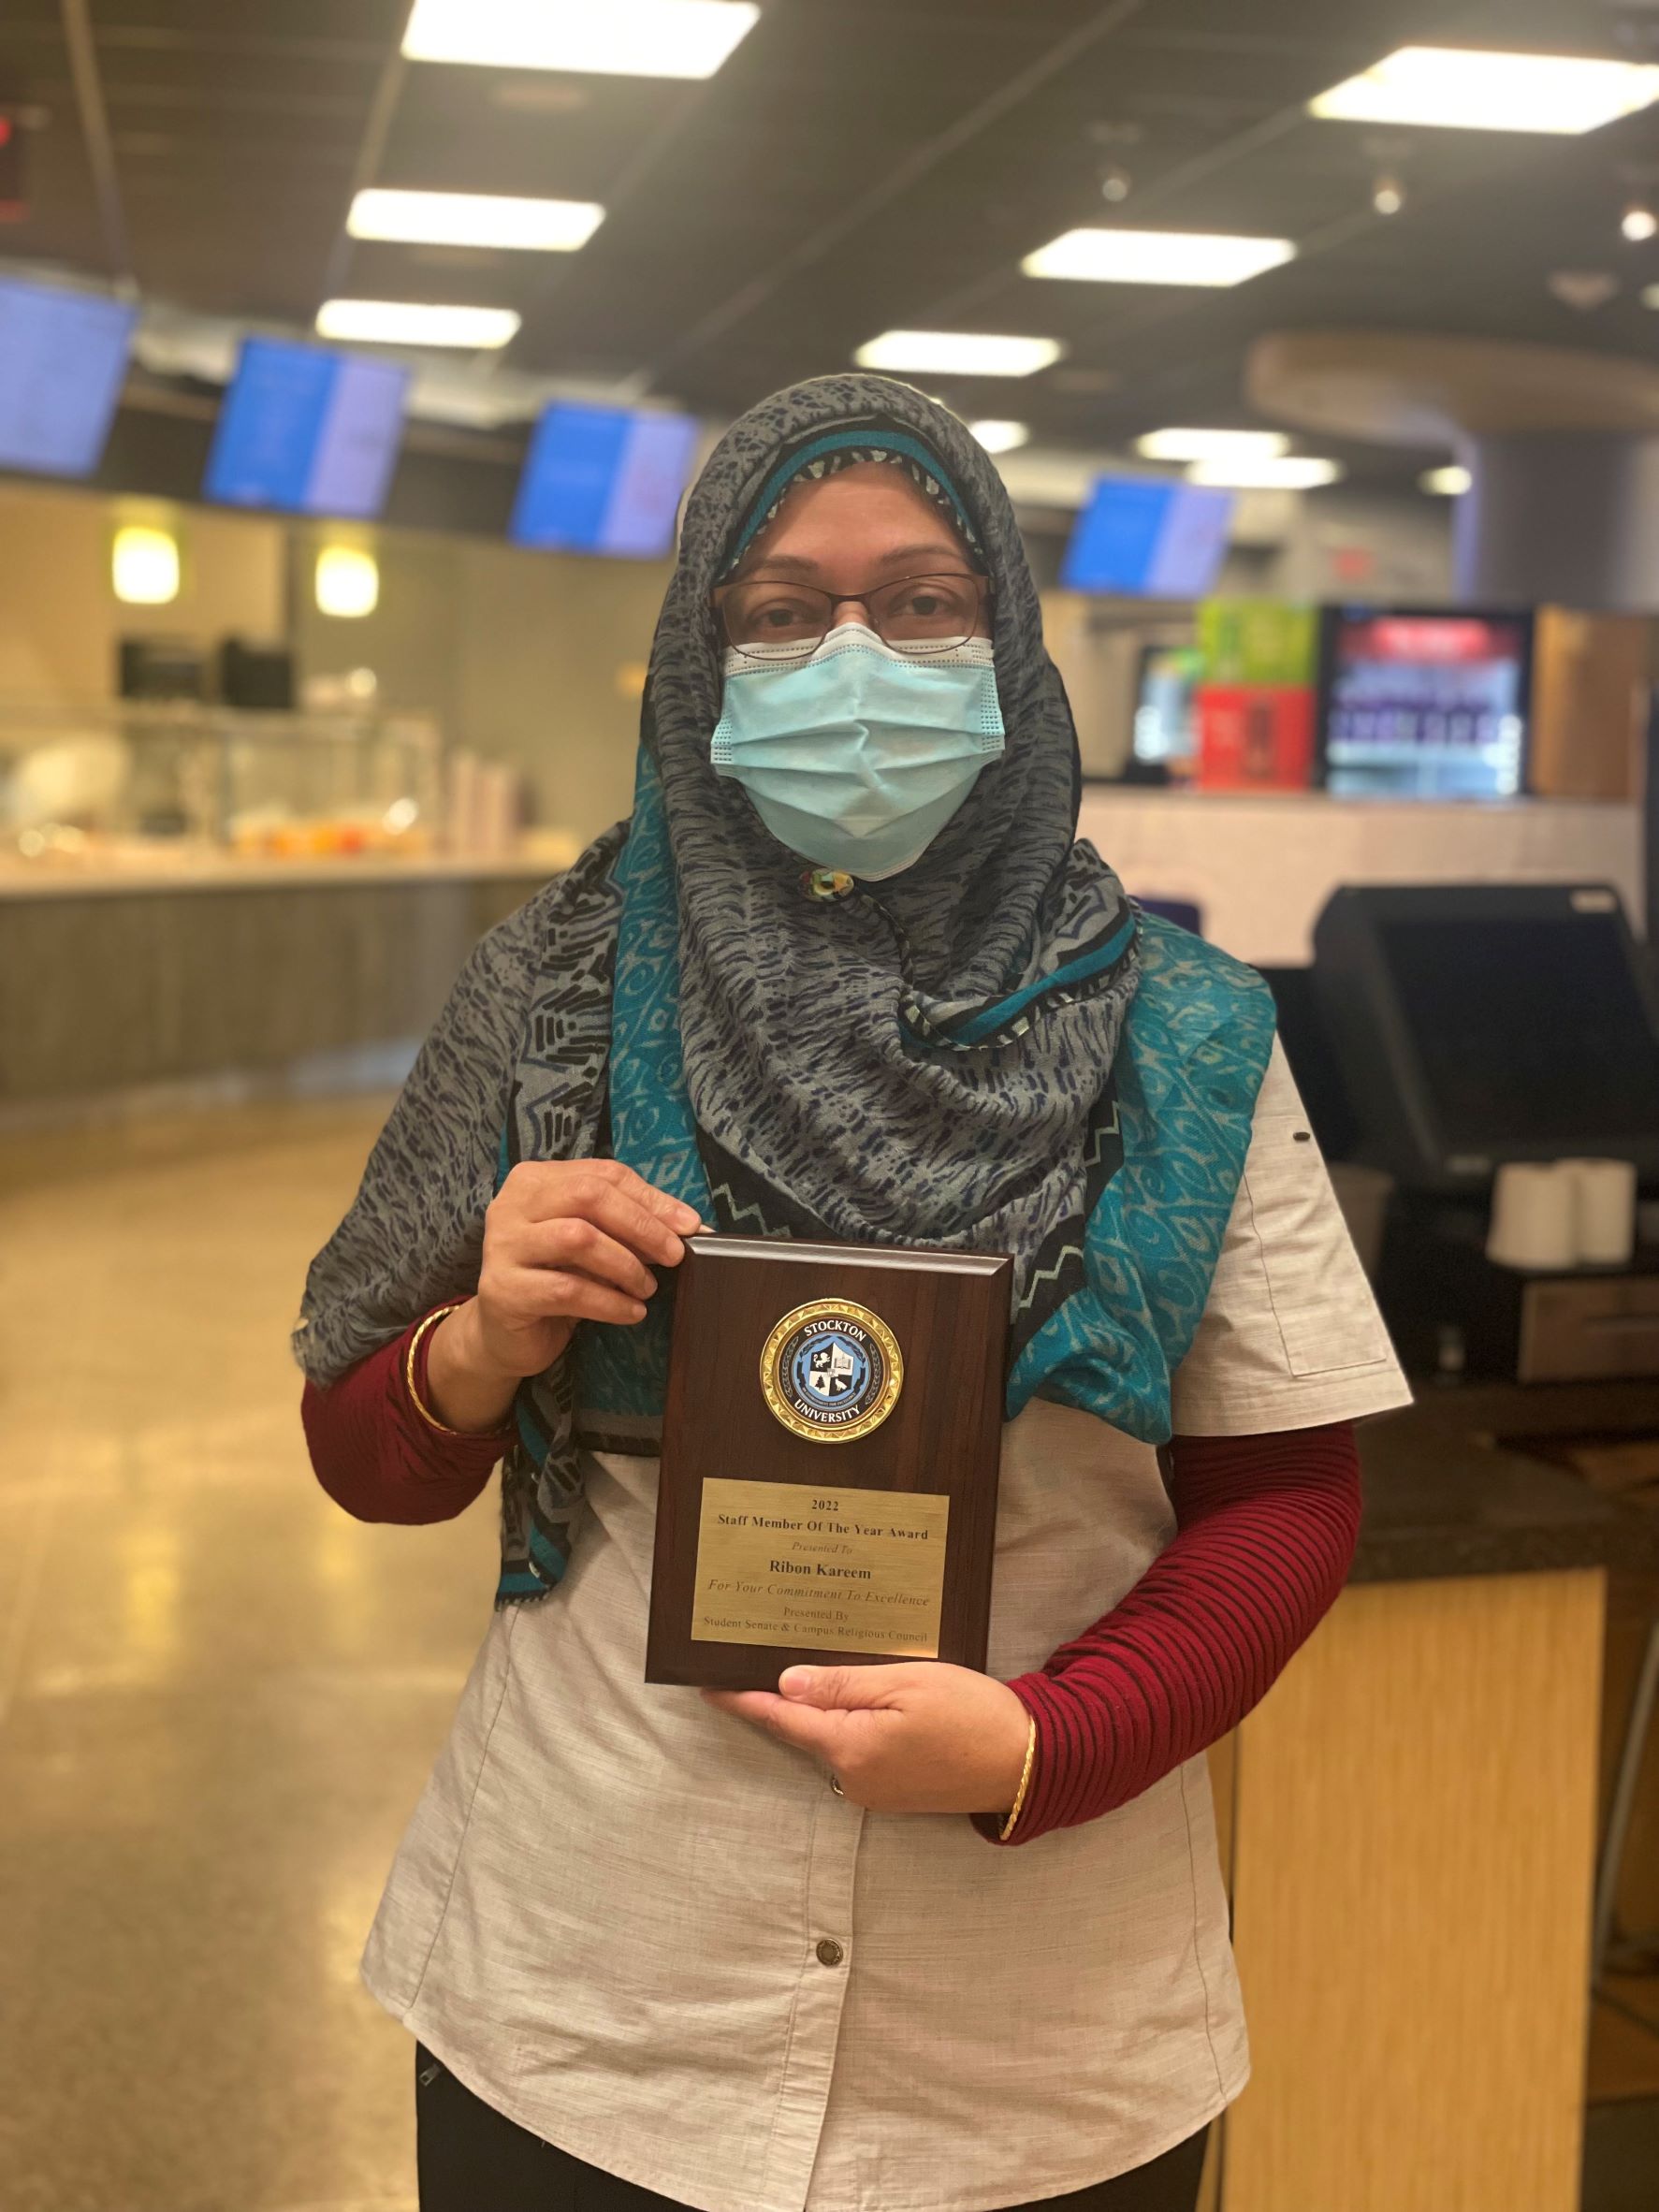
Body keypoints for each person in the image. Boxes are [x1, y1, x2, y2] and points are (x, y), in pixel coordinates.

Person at [296, 375, 1411, 2212]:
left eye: (916, 602)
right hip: (588, 2007)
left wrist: (1052, 1739)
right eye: (780, 610)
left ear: (1006, 643)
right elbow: (367, 1458)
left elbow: (1282, 1499)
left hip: (1032, 2038)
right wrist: (478, 1344)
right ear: (698, 659)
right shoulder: (552, 999)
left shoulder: (1185, 1038)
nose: (851, 655)